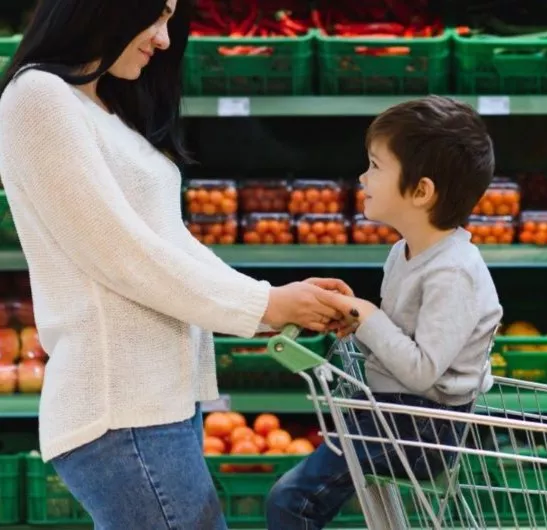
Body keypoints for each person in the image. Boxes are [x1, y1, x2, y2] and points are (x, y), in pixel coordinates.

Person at [0, 0, 351, 528]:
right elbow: (120, 253)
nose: (164, 39)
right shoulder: (38, 97)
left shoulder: (101, 106)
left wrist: (270, 304)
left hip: (160, 405)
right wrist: (265, 303)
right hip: (121, 409)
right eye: (156, 16)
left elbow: (169, 242)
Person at [265, 95, 504, 529]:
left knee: (290, 501)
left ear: (421, 191)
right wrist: (355, 320)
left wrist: (368, 315)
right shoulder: (404, 252)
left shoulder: (454, 273)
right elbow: (399, 338)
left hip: (423, 431)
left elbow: (421, 370)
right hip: (390, 414)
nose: (362, 176)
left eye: (375, 166)